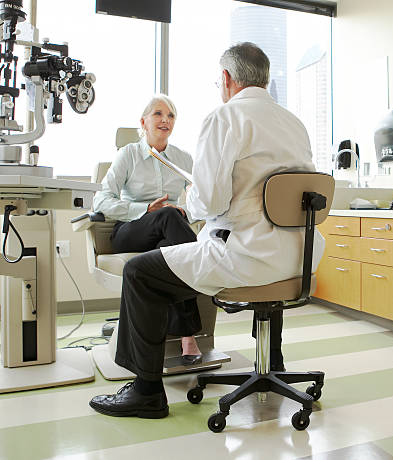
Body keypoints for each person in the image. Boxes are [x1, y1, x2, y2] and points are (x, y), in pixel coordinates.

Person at [89, 42, 324, 419]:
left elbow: (210, 202)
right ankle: (273, 362)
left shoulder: (224, 118)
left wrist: (190, 197)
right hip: (298, 257)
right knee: (249, 250)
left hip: (246, 257)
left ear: (227, 79)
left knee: (139, 273)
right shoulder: (292, 122)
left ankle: (147, 391)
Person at [92, 94, 202, 363]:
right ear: (144, 121)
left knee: (170, 240)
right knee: (167, 216)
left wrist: (185, 211)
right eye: (158, 114)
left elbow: (202, 200)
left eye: (171, 115)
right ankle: (190, 329)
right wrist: (144, 210)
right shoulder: (128, 155)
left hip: (169, 232)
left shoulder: (183, 159)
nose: (165, 120)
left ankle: (183, 335)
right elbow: (101, 200)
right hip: (130, 231)